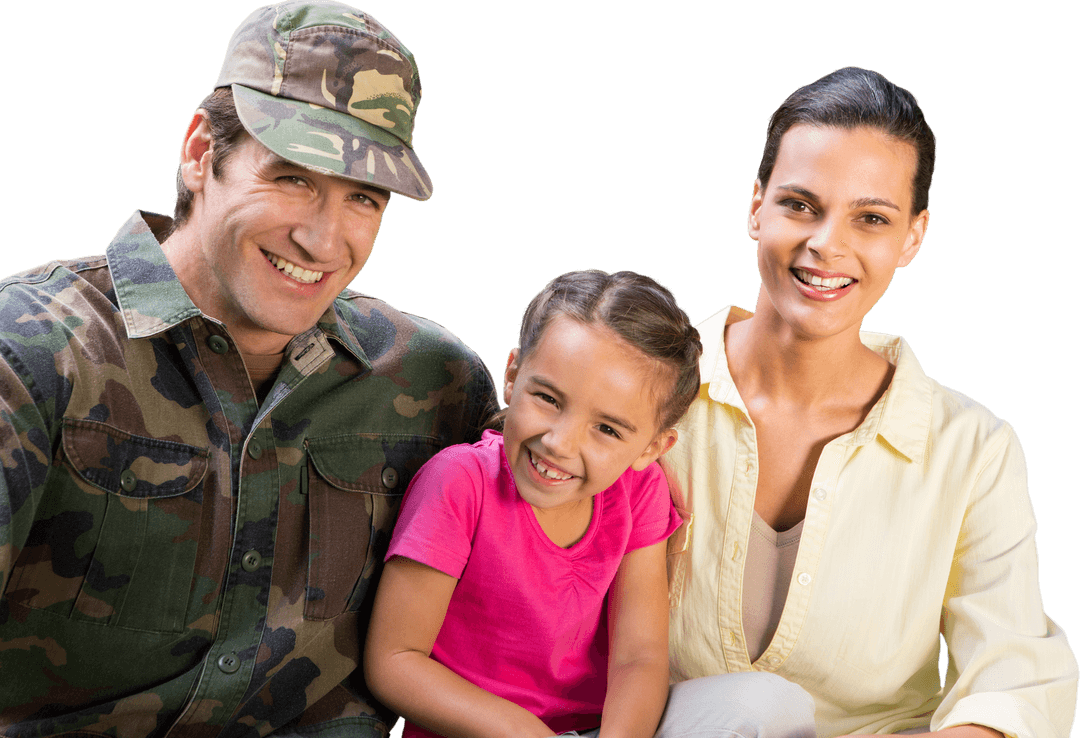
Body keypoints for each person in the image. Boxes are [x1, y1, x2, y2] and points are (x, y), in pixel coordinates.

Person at [0, 2, 496, 736]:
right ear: (201, 152)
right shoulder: (34, 353)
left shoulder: (435, 382)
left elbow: (579, 550)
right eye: (293, 178)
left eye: (363, 197)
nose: (323, 237)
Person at [663, 67, 1079, 737]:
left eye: (872, 218)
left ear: (912, 237)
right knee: (752, 708)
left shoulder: (973, 448)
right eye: (800, 204)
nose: (828, 244)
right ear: (755, 207)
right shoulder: (649, 393)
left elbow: (1015, 676)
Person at [364, 270, 816, 738]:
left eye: (607, 429)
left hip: (605, 730)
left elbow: (638, 658)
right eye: (547, 398)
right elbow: (395, 661)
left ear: (650, 449)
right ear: (514, 375)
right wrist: (522, 732)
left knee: (771, 705)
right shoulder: (459, 482)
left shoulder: (640, 492)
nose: (559, 443)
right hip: (484, 732)